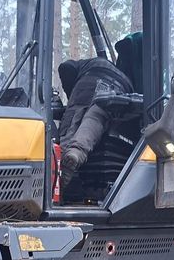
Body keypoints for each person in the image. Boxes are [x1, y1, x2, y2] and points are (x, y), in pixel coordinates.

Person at [57, 57, 133, 188]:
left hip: (90, 80)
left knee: (72, 122)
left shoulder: (89, 62)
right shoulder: (124, 74)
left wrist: (71, 97)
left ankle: (60, 174)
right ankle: (77, 151)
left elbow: (66, 67)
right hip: (123, 87)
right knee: (96, 118)